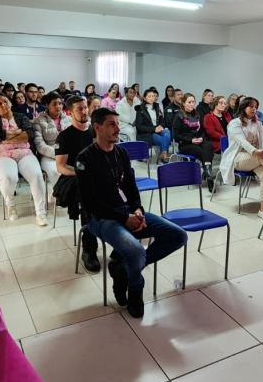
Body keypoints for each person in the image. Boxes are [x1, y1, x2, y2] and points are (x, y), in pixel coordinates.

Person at [76, 107, 187, 318]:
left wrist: (137, 210)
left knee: (178, 236)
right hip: (100, 219)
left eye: (118, 124)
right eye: (112, 124)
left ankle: (123, 271)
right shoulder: (85, 158)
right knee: (135, 252)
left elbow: (130, 188)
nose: (118, 129)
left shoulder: (121, 153)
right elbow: (90, 203)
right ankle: (135, 289)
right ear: (97, 127)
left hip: (126, 211)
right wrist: (124, 218)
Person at [54, 95, 101, 271]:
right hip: (72, 177)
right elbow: (61, 166)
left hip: (94, 175)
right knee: (88, 198)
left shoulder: (94, 131)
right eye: (79, 109)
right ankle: (89, 250)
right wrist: (82, 174)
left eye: (84, 107)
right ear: (70, 112)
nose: (83, 111)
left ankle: (120, 242)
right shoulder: (65, 136)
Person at [0, 94, 48, 226]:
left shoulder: (20, 116)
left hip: (25, 153)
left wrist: (7, 136)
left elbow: (29, 134)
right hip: (2, 155)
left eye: (5, 101)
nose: (3, 105)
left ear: (10, 103)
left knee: (37, 175)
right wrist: (18, 133)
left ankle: (40, 213)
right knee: (9, 177)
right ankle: (11, 205)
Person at [219, 97, 263, 222]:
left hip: (257, 157)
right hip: (238, 158)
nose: (254, 109)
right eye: (251, 106)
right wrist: (258, 152)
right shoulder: (234, 123)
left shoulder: (258, 123)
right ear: (243, 107)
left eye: (255, 107)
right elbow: (242, 142)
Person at [172, 93, 216, 190]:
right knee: (202, 152)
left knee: (208, 145)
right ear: (183, 103)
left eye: (193, 102)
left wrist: (201, 138)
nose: (192, 104)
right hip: (185, 144)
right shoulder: (178, 116)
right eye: (189, 102)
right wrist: (191, 140)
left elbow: (202, 131)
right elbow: (176, 135)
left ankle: (207, 172)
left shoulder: (197, 114)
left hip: (198, 140)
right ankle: (209, 177)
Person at [33, 92, 68, 203]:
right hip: (48, 155)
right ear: (47, 105)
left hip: (67, 153)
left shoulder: (68, 119)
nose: (58, 106)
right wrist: (57, 154)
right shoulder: (39, 120)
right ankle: (61, 194)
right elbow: (40, 145)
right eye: (54, 104)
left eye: (60, 103)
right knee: (56, 171)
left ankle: (59, 193)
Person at [135, 88, 172, 162]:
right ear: (145, 98)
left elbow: (162, 121)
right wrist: (154, 129)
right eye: (149, 96)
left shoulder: (157, 107)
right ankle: (164, 156)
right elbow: (139, 127)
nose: (152, 98)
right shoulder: (140, 109)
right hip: (148, 133)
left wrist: (161, 126)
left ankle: (163, 154)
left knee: (167, 133)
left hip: (158, 129)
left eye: (153, 96)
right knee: (164, 140)